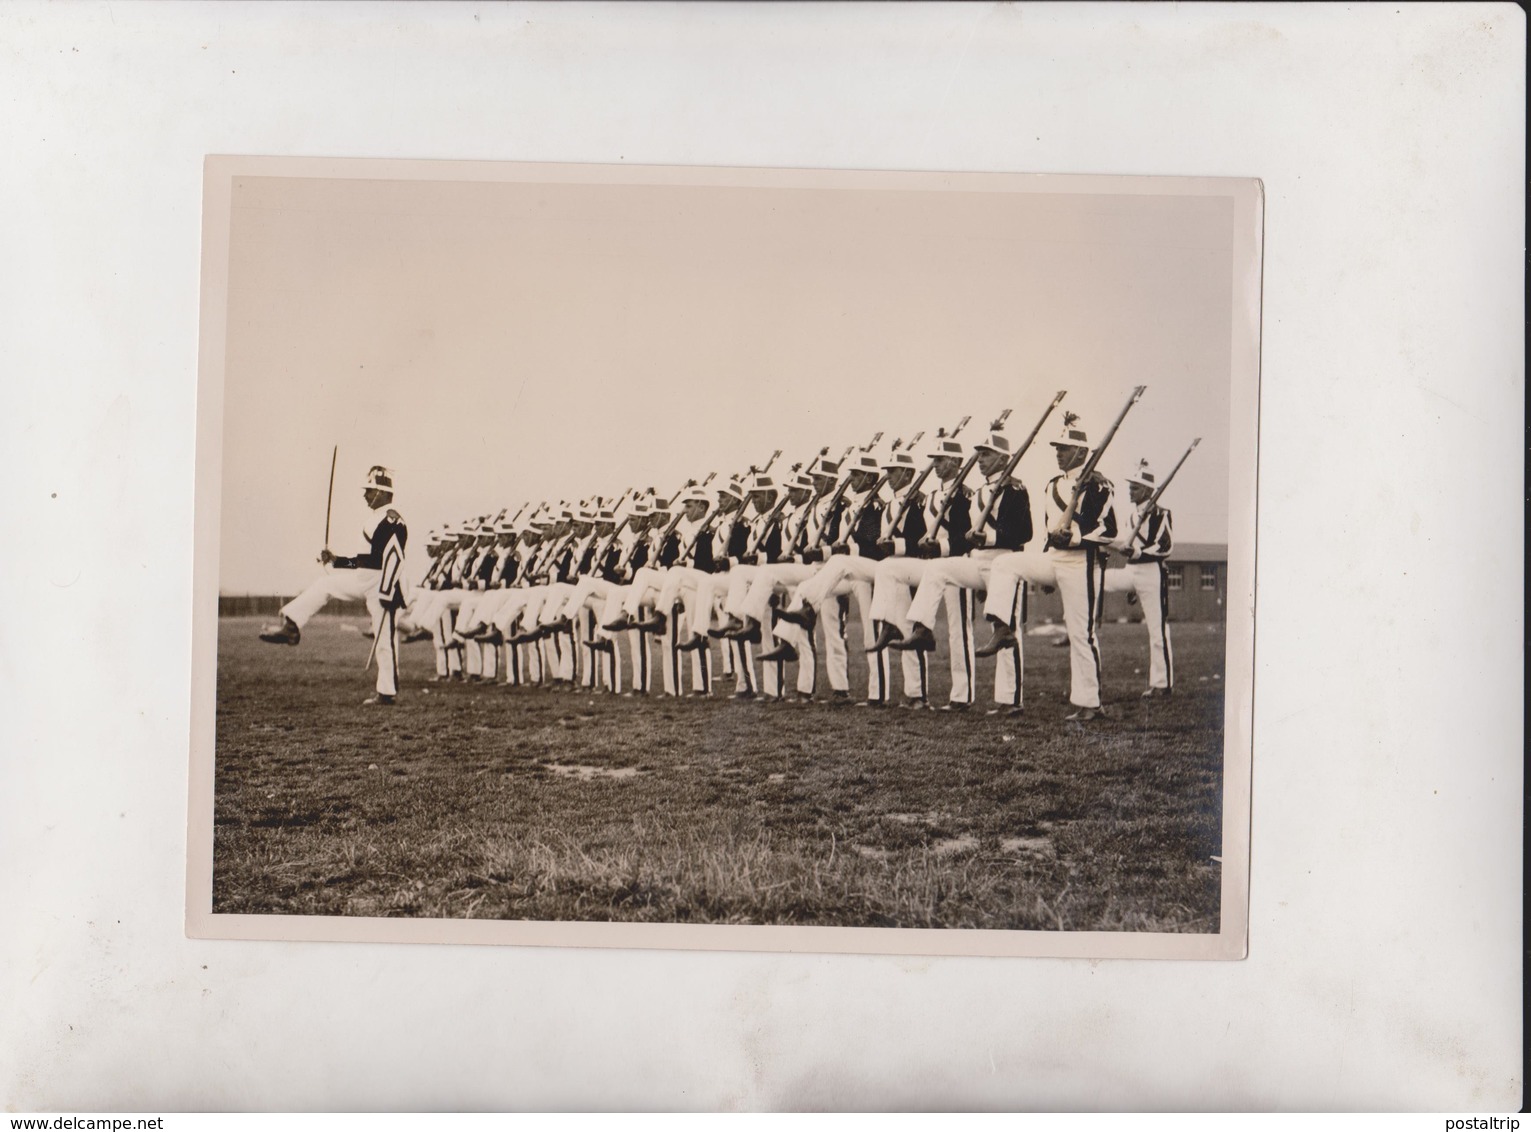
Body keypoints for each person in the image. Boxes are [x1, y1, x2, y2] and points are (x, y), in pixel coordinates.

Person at [978, 413, 1118, 720]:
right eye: (1057, 448)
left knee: (1081, 633)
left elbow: (1108, 530)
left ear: (1081, 453)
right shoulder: (1052, 484)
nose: (1058, 453)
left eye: (1065, 449)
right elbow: (1048, 529)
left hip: (1082, 564)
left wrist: (1075, 536)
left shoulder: (1099, 484)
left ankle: (1090, 703)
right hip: (1053, 559)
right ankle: (1002, 627)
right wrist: (1046, 559)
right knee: (1006, 563)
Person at [886, 426, 1034, 715]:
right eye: (979, 455)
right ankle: (923, 628)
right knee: (938, 570)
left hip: (1005, 562)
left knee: (1005, 628)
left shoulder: (1015, 488)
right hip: (977, 560)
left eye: (987, 455)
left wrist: (989, 538)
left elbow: (1024, 532)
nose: (979, 460)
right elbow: (962, 536)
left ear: (1003, 459)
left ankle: (1010, 699)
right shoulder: (979, 491)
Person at [259, 464, 408, 706]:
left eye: (369, 490)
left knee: (384, 640)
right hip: (365, 579)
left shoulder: (392, 521)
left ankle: (387, 692)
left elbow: (393, 559)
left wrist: (388, 592)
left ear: (382, 492)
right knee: (324, 584)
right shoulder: (376, 519)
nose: (365, 495)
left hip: (381, 585)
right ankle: (292, 625)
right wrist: (337, 561)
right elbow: (366, 560)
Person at [1101, 458, 1174, 697]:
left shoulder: (1161, 513)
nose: (1130, 491)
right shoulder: (1132, 516)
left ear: (1147, 490)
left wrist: (1140, 552)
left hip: (1151, 572)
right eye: (1130, 486)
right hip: (1131, 571)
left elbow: (1166, 546)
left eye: (1135, 487)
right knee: (1095, 579)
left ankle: (1162, 684)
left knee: (1157, 630)